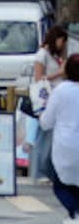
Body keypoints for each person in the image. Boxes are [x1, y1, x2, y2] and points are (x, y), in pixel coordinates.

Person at [40, 53, 79, 218]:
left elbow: (46, 122)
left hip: (66, 146)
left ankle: (75, 211)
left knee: (60, 185)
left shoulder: (60, 91)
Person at [33, 26, 69, 180]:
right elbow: (38, 78)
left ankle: (49, 171)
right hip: (46, 100)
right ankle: (41, 171)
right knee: (45, 136)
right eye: (62, 41)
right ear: (56, 39)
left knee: (53, 136)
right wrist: (59, 73)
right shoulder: (42, 55)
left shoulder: (56, 55)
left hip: (58, 98)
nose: (63, 45)